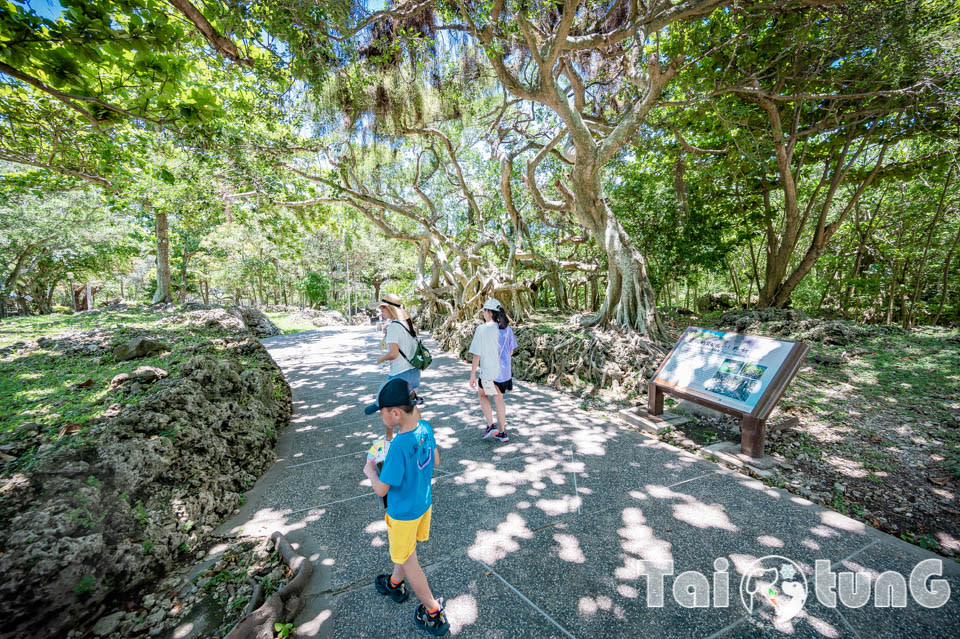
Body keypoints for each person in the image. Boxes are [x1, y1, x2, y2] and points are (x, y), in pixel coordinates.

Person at [363, 378, 449, 636]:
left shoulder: (399, 445)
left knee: (409, 560)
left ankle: (433, 611)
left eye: (382, 413)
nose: (381, 418)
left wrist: (369, 470)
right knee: (406, 552)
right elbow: (435, 460)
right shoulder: (425, 428)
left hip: (402, 513)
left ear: (396, 413)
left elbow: (381, 489)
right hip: (423, 505)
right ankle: (394, 583)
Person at [375, 294, 421, 442]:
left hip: (399, 373)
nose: (381, 311)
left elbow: (393, 353)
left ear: (390, 309)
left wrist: (381, 358)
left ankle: (389, 440)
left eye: (383, 308)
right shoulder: (406, 324)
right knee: (411, 406)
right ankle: (421, 435)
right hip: (413, 371)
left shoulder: (394, 327)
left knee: (386, 405)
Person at [469, 298, 513, 442]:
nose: (483, 314)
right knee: (499, 399)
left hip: (489, 373)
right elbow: (510, 351)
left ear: (488, 312)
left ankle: (491, 426)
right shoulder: (507, 328)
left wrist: (472, 375)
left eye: (484, 311)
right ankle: (502, 432)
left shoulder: (482, 329)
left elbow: (477, 354)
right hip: (504, 374)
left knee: (482, 395)